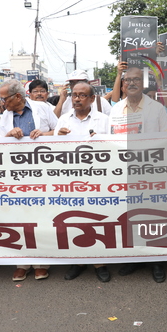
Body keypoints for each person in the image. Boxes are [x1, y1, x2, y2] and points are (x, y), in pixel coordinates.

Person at [110, 66, 167, 282]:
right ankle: (135, 257)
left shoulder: (157, 109)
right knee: (131, 216)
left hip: (152, 171)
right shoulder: (116, 110)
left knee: (153, 215)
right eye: (128, 80)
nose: (132, 83)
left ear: (144, 84)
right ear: (123, 84)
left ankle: (157, 261)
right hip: (125, 173)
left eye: (136, 80)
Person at [0, 79, 56, 281]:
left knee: (42, 215)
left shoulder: (43, 109)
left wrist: (45, 134)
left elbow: (60, 132)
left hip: (44, 172)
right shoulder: (5, 117)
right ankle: (22, 263)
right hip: (17, 175)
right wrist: (8, 134)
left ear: (18, 97)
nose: (2, 103)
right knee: (19, 216)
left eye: (4, 99)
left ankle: (42, 262)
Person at [54, 82, 111, 282]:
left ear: (92, 98)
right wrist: (58, 138)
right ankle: (78, 261)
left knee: (97, 220)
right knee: (73, 220)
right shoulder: (63, 120)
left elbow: (114, 149)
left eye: (82, 95)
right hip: (70, 181)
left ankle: (100, 263)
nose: (77, 99)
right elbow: (51, 154)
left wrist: (102, 140)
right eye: (74, 95)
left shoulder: (103, 120)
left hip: (97, 180)